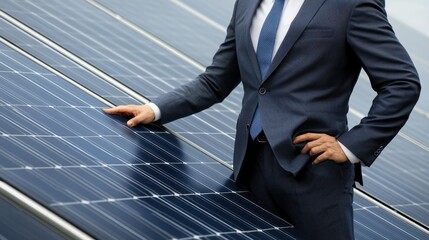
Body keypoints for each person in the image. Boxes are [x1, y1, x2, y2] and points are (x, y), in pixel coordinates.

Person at [104, 0, 420, 239]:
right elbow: (216, 81)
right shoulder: (248, 2)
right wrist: (156, 109)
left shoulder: (351, 3)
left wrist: (350, 147)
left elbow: (402, 83)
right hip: (250, 165)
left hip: (315, 173)